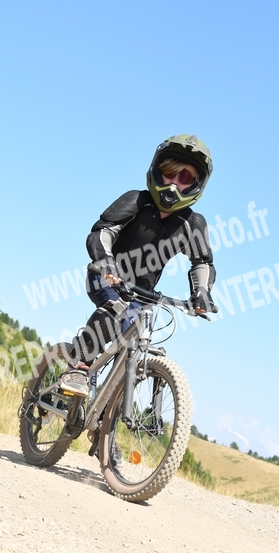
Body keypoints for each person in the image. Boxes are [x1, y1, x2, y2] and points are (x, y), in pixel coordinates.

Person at [60, 134, 217, 397]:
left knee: (136, 345)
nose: (174, 182)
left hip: (142, 295)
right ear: (156, 170)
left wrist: (201, 293)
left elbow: (202, 261)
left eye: (185, 177)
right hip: (106, 277)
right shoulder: (137, 201)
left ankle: (107, 415)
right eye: (169, 172)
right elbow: (102, 232)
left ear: (196, 185)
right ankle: (78, 366)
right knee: (115, 310)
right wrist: (106, 262)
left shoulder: (192, 224)